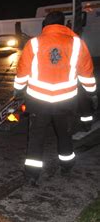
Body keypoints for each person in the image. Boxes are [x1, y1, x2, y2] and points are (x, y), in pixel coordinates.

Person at [13, 11, 97, 186]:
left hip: (38, 102)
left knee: (36, 138)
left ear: (45, 25)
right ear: (64, 24)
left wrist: (18, 91)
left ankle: (32, 176)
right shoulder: (77, 44)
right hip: (65, 102)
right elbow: (87, 72)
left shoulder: (34, 43)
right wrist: (91, 93)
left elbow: (22, 71)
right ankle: (66, 166)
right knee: (64, 135)